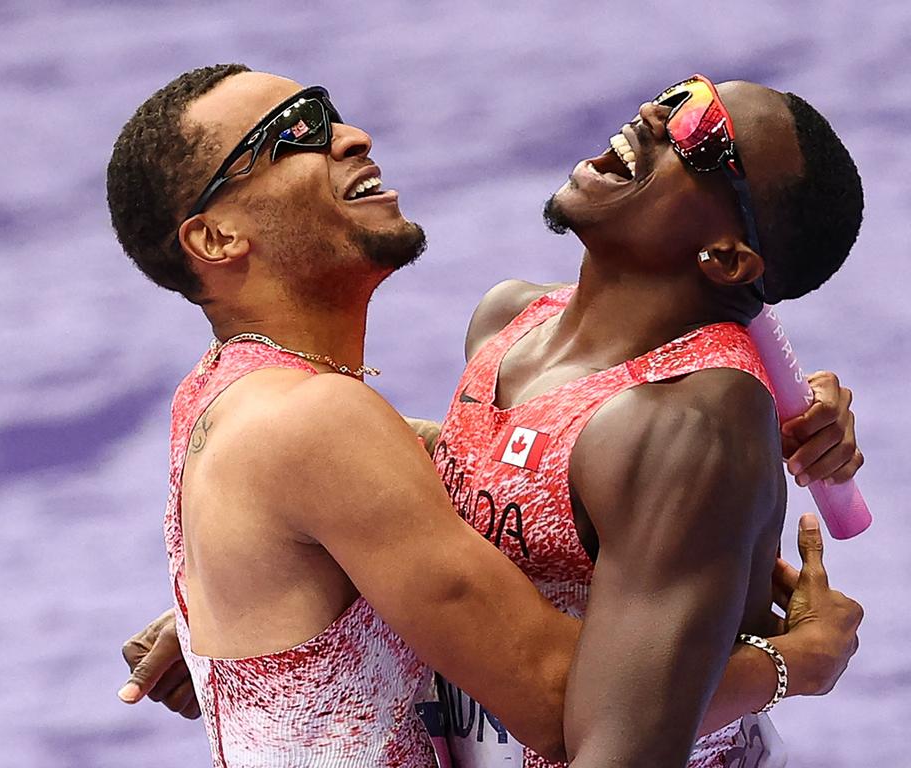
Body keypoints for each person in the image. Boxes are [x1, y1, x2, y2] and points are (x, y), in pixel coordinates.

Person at [107, 65, 864, 768]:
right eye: (294, 134)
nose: (352, 135)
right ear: (213, 239)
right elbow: (559, 694)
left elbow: (606, 728)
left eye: (699, 130)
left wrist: (251, 597)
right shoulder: (377, 395)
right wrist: (793, 663)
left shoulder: (226, 388)